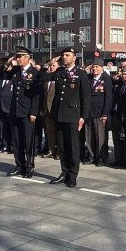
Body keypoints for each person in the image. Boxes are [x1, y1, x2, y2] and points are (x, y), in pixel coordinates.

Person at [49, 48, 91, 187]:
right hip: (59, 114)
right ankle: (64, 171)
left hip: (73, 115)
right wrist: (51, 62)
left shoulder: (80, 73)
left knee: (73, 147)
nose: (64, 57)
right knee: (62, 146)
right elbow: (43, 77)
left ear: (74, 58)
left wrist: (83, 116)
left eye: (67, 55)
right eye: (63, 55)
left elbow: (85, 96)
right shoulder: (59, 72)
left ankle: (72, 175)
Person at [7, 47, 41, 178]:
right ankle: (19, 165)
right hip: (15, 110)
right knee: (17, 140)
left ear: (27, 58)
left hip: (27, 112)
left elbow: (36, 95)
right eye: (17, 56)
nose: (18, 59)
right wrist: (10, 62)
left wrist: (33, 112)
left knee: (28, 141)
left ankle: (29, 166)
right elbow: (3, 74)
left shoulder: (34, 73)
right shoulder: (16, 71)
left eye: (20, 56)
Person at [85, 60, 112, 166]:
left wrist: (105, 113)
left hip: (100, 113)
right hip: (89, 112)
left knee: (100, 136)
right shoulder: (89, 78)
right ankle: (91, 156)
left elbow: (108, 98)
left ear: (102, 68)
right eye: (93, 67)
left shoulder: (106, 79)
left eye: (97, 67)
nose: (94, 69)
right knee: (89, 136)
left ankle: (101, 157)